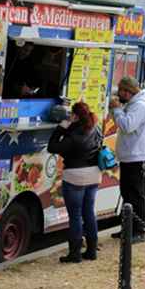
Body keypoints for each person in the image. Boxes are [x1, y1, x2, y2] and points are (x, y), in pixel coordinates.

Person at [47, 102, 101, 263]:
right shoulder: (95, 128)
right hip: (94, 175)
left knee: (75, 215)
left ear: (75, 116)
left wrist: (62, 126)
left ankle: (75, 253)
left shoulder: (72, 136)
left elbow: (52, 146)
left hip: (75, 176)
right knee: (89, 212)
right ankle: (91, 250)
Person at [109, 76, 145, 243]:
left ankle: (138, 231)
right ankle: (128, 229)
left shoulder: (140, 106)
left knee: (135, 195)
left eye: (120, 92)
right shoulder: (134, 104)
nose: (119, 95)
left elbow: (127, 126)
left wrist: (117, 110)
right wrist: (117, 110)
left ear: (127, 92)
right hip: (131, 157)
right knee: (127, 194)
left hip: (137, 158)